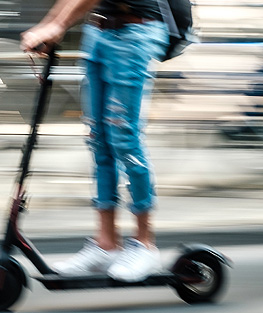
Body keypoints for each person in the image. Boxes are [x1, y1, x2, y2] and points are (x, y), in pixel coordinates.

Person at [21, 0, 169, 282]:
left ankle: (145, 245)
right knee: (99, 142)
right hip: (98, 34)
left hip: (135, 33)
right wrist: (50, 24)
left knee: (125, 140)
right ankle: (106, 245)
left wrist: (58, 25)